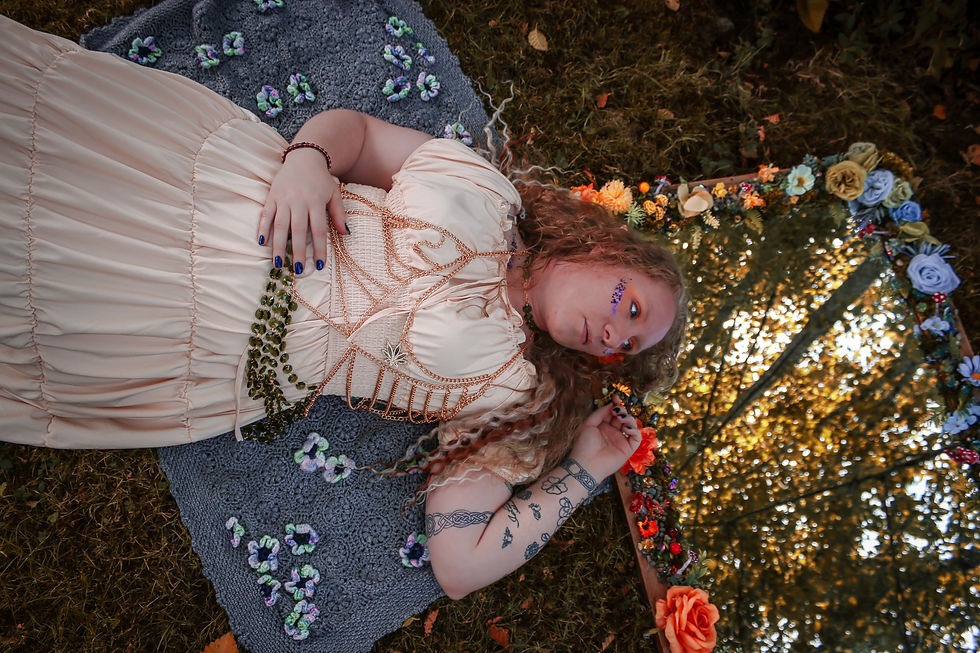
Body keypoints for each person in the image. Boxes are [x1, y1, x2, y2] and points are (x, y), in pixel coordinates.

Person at [0, 15, 687, 598]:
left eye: (622, 347)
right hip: (228, 198)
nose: (610, 332)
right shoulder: (486, 191)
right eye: (629, 305)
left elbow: (459, 564)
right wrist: (309, 158)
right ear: (603, 249)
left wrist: (585, 468)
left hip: (214, 337)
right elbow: (354, 132)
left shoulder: (510, 392)